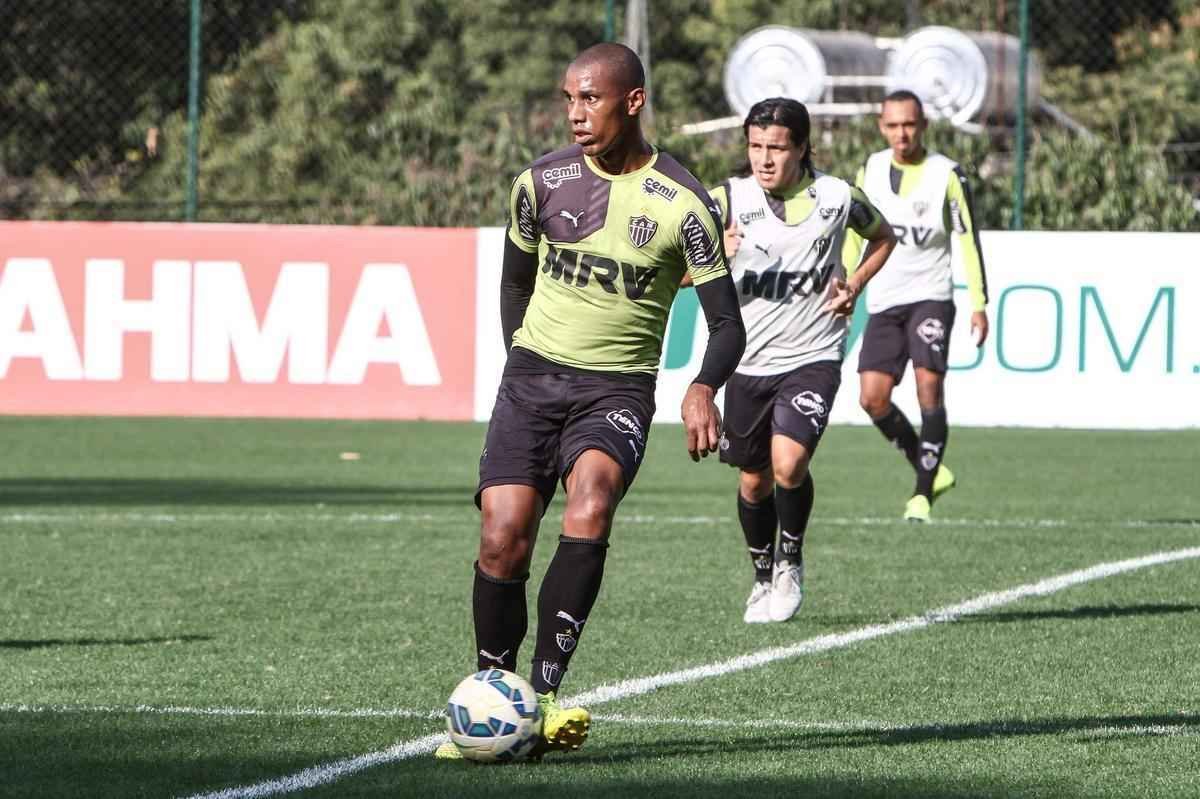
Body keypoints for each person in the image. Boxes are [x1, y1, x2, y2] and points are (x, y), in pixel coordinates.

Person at [435, 43, 745, 759]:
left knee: (592, 500)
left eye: (591, 100)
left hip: (617, 389)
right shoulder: (539, 182)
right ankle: (491, 695)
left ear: (632, 101)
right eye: (570, 99)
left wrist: (702, 386)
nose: (577, 114)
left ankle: (541, 699)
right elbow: (514, 281)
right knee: (502, 535)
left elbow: (727, 323)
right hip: (532, 380)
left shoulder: (684, 203)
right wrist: (520, 357)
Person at [705, 97, 896, 624]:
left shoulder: (837, 198)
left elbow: (883, 237)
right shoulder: (725, 200)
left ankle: (791, 559)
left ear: (803, 147)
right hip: (749, 362)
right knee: (752, 480)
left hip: (815, 354)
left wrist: (853, 283)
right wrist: (715, 257)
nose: (764, 158)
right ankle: (762, 573)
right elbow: (674, 272)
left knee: (789, 463)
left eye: (777, 148)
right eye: (755, 146)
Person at [846, 89, 990, 523]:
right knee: (872, 399)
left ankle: (922, 495)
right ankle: (929, 466)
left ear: (923, 125)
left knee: (929, 386)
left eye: (909, 124)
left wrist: (978, 303)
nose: (901, 133)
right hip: (884, 300)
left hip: (930, 296)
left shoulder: (946, 173)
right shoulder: (869, 169)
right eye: (892, 125)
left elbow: (967, 239)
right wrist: (848, 283)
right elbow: (855, 232)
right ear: (881, 126)